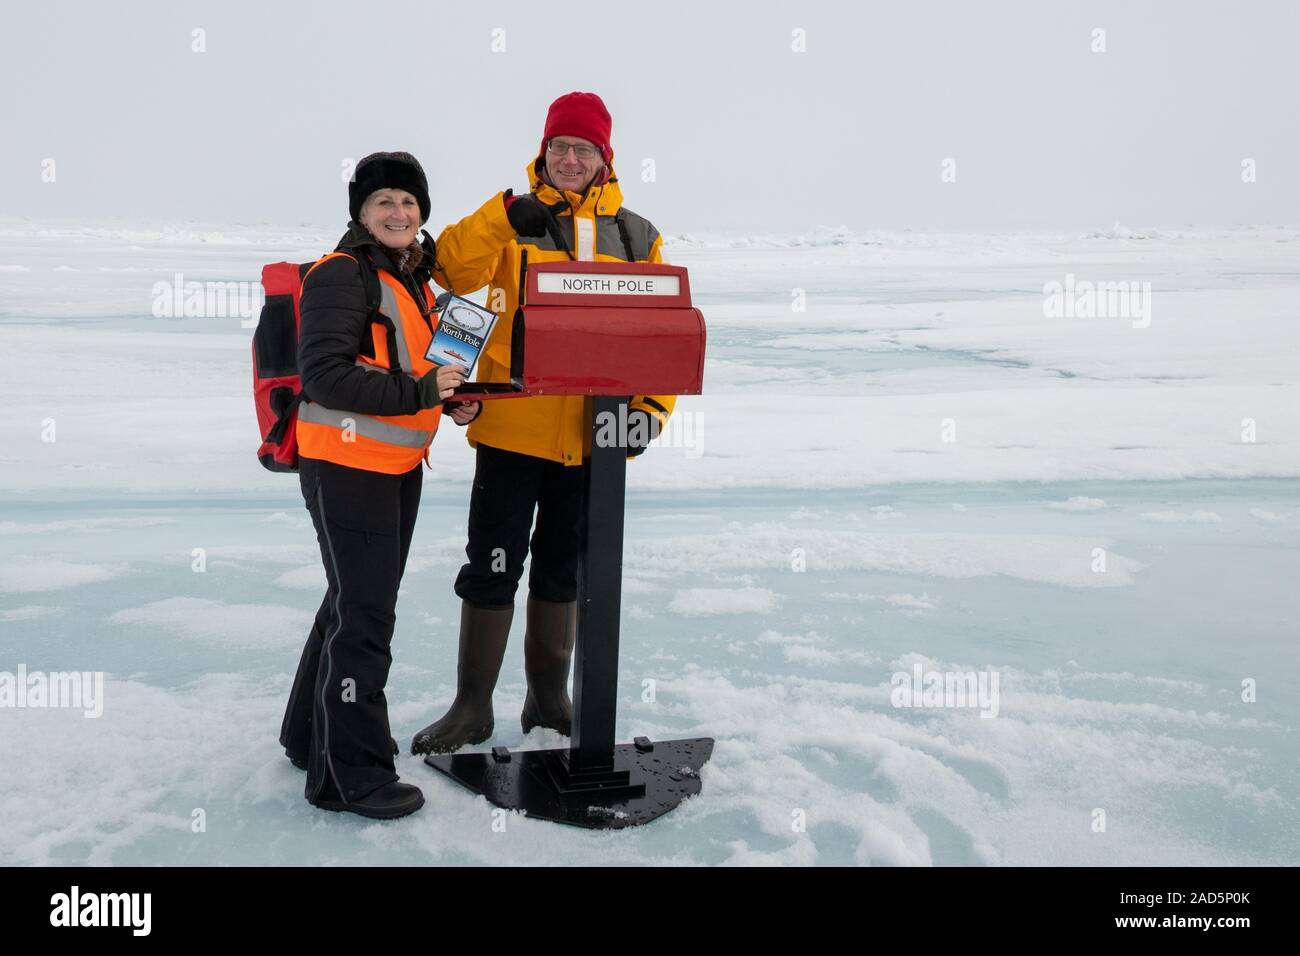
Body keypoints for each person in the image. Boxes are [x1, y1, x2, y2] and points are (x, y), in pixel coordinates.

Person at [411, 92, 675, 755]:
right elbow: (448, 268)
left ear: (604, 160)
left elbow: (661, 336)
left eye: (583, 149)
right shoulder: (511, 223)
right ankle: (471, 709)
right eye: (559, 147)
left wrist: (650, 411)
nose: (569, 159)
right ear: (543, 152)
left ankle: (548, 698)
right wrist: (501, 217)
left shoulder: (638, 237)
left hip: (592, 442)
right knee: (493, 567)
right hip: (510, 433)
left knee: (562, 571)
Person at [279, 151, 479, 818]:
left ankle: (309, 737)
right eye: (384, 202)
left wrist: (449, 400)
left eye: (409, 203)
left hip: (393, 465)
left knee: (350, 602)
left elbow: (407, 368)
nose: (399, 213)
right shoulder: (343, 276)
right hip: (346, 466)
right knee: (366, 618)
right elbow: (325, 376)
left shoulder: (411, 280)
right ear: (360, 214)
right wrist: (420, 389)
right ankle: (350, 778)